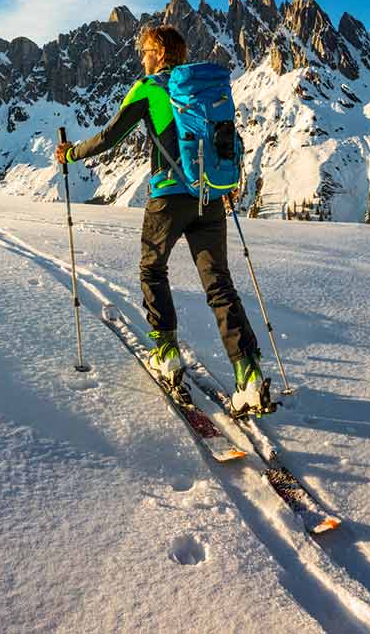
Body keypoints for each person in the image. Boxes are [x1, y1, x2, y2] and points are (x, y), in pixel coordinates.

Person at [53, 24, 270, 414]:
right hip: (209, 196)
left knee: (153, 269)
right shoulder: (202, 90)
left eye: (145, 50)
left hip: (168, 197)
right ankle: (249, 376)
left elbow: (108, 137)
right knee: (219, 285)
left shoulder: (148, 88)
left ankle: (167, 352)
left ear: (158, 51)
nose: (141, 57)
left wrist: (70, 154)